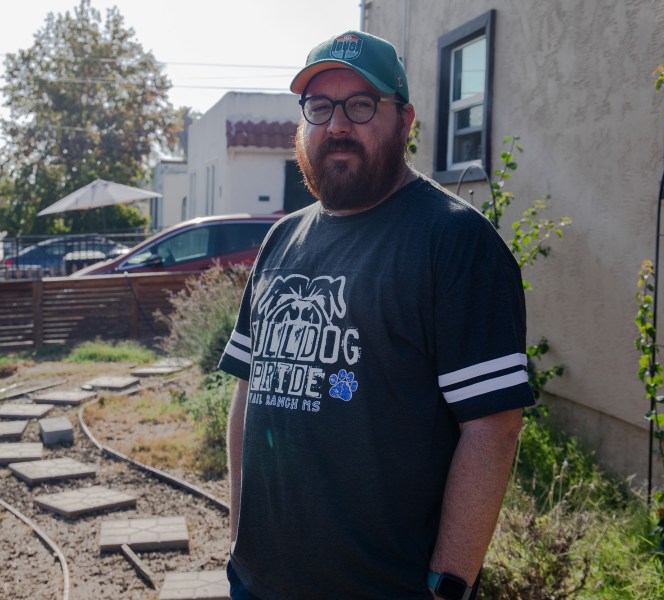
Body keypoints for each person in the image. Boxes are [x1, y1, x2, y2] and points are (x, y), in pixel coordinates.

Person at [218, 29, 534, 600]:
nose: (337, 124)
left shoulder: (456, 242)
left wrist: (448, 584)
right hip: (259, 584)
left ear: (405, 119)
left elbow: (493, 426)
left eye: (361, 105)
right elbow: (248, 394)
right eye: (319, 107)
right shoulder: (281, 240)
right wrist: (239, 537)